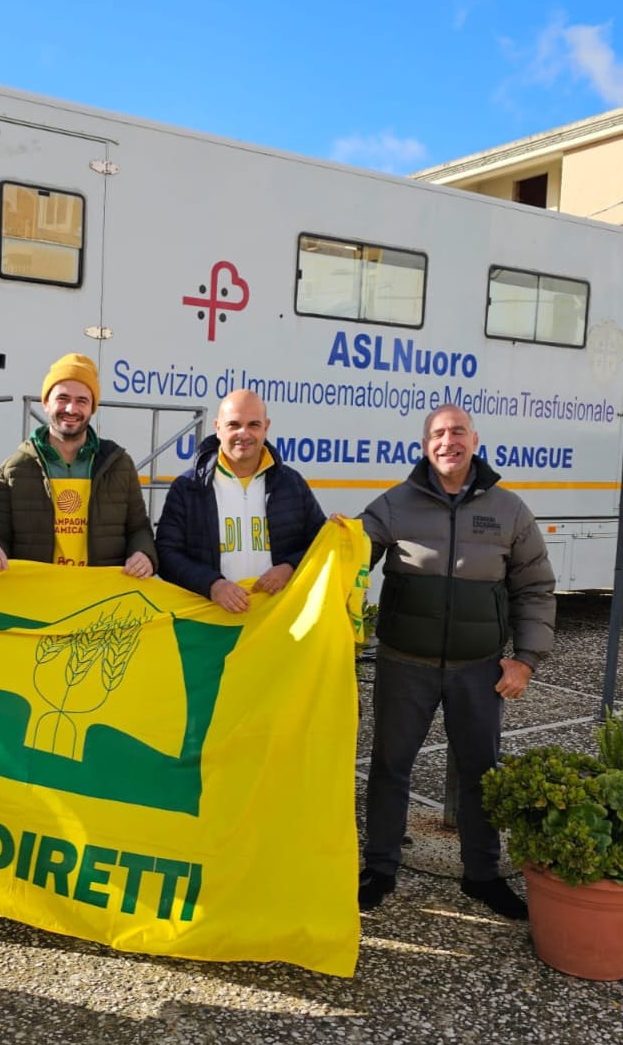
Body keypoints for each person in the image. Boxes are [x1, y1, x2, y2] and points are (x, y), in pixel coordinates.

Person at [356, 404, 555, 918]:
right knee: (390, 768)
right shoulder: (395, 505)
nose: (449, 441)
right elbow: (347, 559)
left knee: (479, 772)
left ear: (475, 440)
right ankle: (379, 868)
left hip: (479, 668)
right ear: (425, 445)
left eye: (458, 432)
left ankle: (482, 875)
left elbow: (534, 588)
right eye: (439, 434)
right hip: (405, 663)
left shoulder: (509, 510)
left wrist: (526, 660)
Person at [0, 352, 156, 577]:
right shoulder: (13, 470)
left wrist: (143, 554)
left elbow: (139, 528)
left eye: (82, 401)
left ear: (92, 408)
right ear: (46, 403)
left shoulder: (119, 465)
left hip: (100, 601)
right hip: (38, 599)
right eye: (63, 398)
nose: (71, 409)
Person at [155, 389, 326, 611]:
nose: (243, 434)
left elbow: (320, 542)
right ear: (217, 428)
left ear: (266, 427)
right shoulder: (188, 488)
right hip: (211, 621)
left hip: (277, 619)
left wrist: (290, 567)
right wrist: (212, 585)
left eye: (254, 425)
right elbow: (167, 554)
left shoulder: (291, 483)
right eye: (234, 425)